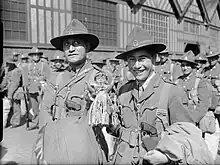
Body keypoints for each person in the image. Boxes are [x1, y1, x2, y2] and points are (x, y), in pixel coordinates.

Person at [107, 27, 214, 164]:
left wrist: (167, 156)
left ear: (153, 59)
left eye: (142, 58)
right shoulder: (123, 91)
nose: (137, 65)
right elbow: (119, 129)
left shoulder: (171, 92)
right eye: (132, 59)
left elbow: (189, 138)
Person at [32, 19, 109, 164]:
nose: (71, 49)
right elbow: (45, 111)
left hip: (83, 148)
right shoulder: (57, 77)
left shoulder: (98, 77)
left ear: (87, 46)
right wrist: (45, 145)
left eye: (76, 44)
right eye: (67, 44)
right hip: (54, 144)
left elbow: (106, 118)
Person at [26, 46, 50, 130]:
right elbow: (27, 77)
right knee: (34, 107)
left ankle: (44, 124)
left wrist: (38, 79)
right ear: (31, 56)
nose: (36, 56)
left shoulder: (44, 65)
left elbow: (48, 77)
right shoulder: (29, 65)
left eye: (37, 54)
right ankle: (35, 122)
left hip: (41, 89)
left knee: (43, 107)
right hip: (32, 89)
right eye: (34, 55)